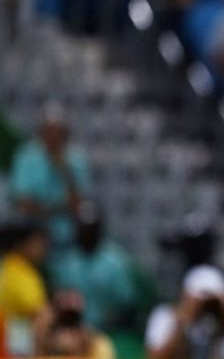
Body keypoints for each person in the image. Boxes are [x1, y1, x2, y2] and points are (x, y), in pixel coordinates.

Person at [10, 103, 91, 251]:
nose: (53, 138)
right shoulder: (26, 157)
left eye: (58, 133)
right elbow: (23, 204)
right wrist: (59, 208)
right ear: (42, 132)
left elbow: (78, 204)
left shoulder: (76, 160)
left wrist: (65, 171)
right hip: (32, 235)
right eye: (49, 132)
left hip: (66, 236)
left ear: (66, 135)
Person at [49, 204, 138, 331]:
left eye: (91, 228)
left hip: (109, 330)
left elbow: (126, 305)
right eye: (84, 228)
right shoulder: (66, 261)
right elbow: (59, 300)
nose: (87, 233)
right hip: (73, 330)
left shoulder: (115, 261)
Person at [144, 265, 224, 359]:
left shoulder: (217, 325)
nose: (207, 306)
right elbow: (155, 356)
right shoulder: (166, 316)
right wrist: (182, 323)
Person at [0, 221, 48, 356]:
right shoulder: (22, 275)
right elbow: (41, 317)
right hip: (18, 349)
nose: (43, 248)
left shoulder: (6, 268)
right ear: (20, 245)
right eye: (37, 242)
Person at [33, 290, 115, 359]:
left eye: (73, 323)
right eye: (64, 323)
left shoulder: (98, 344)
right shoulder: (41, 342)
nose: (67, 333)